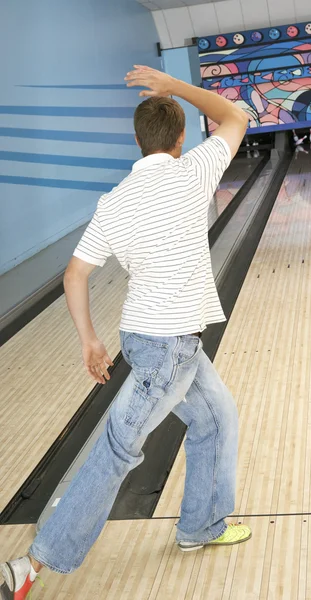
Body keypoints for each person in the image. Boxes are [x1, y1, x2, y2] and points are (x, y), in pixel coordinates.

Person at [0, 65, 250, 599]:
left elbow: (75, 275)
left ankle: (198, 528)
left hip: (147, 338)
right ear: (181, 139)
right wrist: (174, 86)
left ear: (137, 142)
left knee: (218, 415)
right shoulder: (194, 171)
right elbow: (234, 115)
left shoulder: (114, 202)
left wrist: (90, 340)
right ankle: (35, 563)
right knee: (115, 450)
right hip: (170, 350)